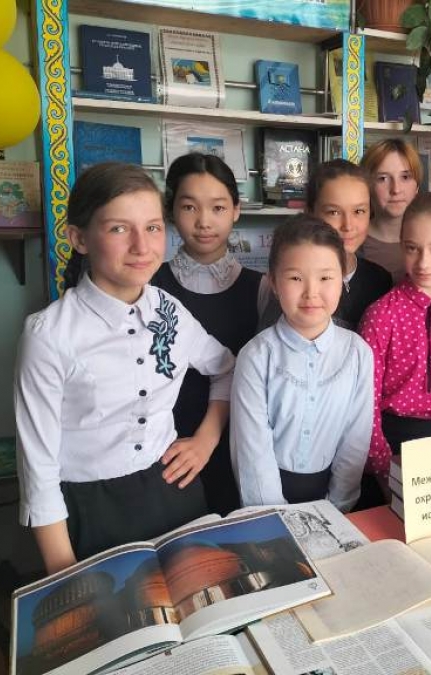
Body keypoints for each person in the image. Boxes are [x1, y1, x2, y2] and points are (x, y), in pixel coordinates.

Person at [15, 163, 236, 574]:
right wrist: (63, 571)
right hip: (90, 508)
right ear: (79, 238)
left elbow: (226, 368)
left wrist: (206, 439)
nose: (142, 246)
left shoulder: (169, 310)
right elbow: (38, 467)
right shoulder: (49, 334)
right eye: (119, 229)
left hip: (175, 490)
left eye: (153, 228)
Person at [230, 215, 374, 511]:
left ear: (342, 279)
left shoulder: (357, 353)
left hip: (333, 499)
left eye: (325, 278)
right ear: (273, 282)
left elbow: (355, 440)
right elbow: (252, 452)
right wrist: (274, 517)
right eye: (295, 278)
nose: (311, 292)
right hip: (267, 499)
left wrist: (337, 508)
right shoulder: (256, 356)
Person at [152, 153, 265, 516]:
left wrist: (209, 440)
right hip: (165, 449)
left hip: (239, 446)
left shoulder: (262, 289)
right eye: (189, 207)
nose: (204, 222)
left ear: (236, 210)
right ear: (171, 211)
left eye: (218, 208)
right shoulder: (149, 285)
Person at [359, 192, 431, 488]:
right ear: (402, 246)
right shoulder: (382, 315)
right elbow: (365, 403)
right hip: (394, 446)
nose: (424, 262)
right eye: (413, 248)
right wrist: (383, 467)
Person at [306, 159, 393, 330]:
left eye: (359, 211)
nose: (348, 225)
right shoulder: (294, 278)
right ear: (310, 213)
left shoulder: (380, 280)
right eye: (334, 212)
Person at [360, 139, 423, 282]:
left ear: (417, 186)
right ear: (367, 186)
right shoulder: (352, 242)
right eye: (383, 178)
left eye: (405, 177)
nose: (396, 189)